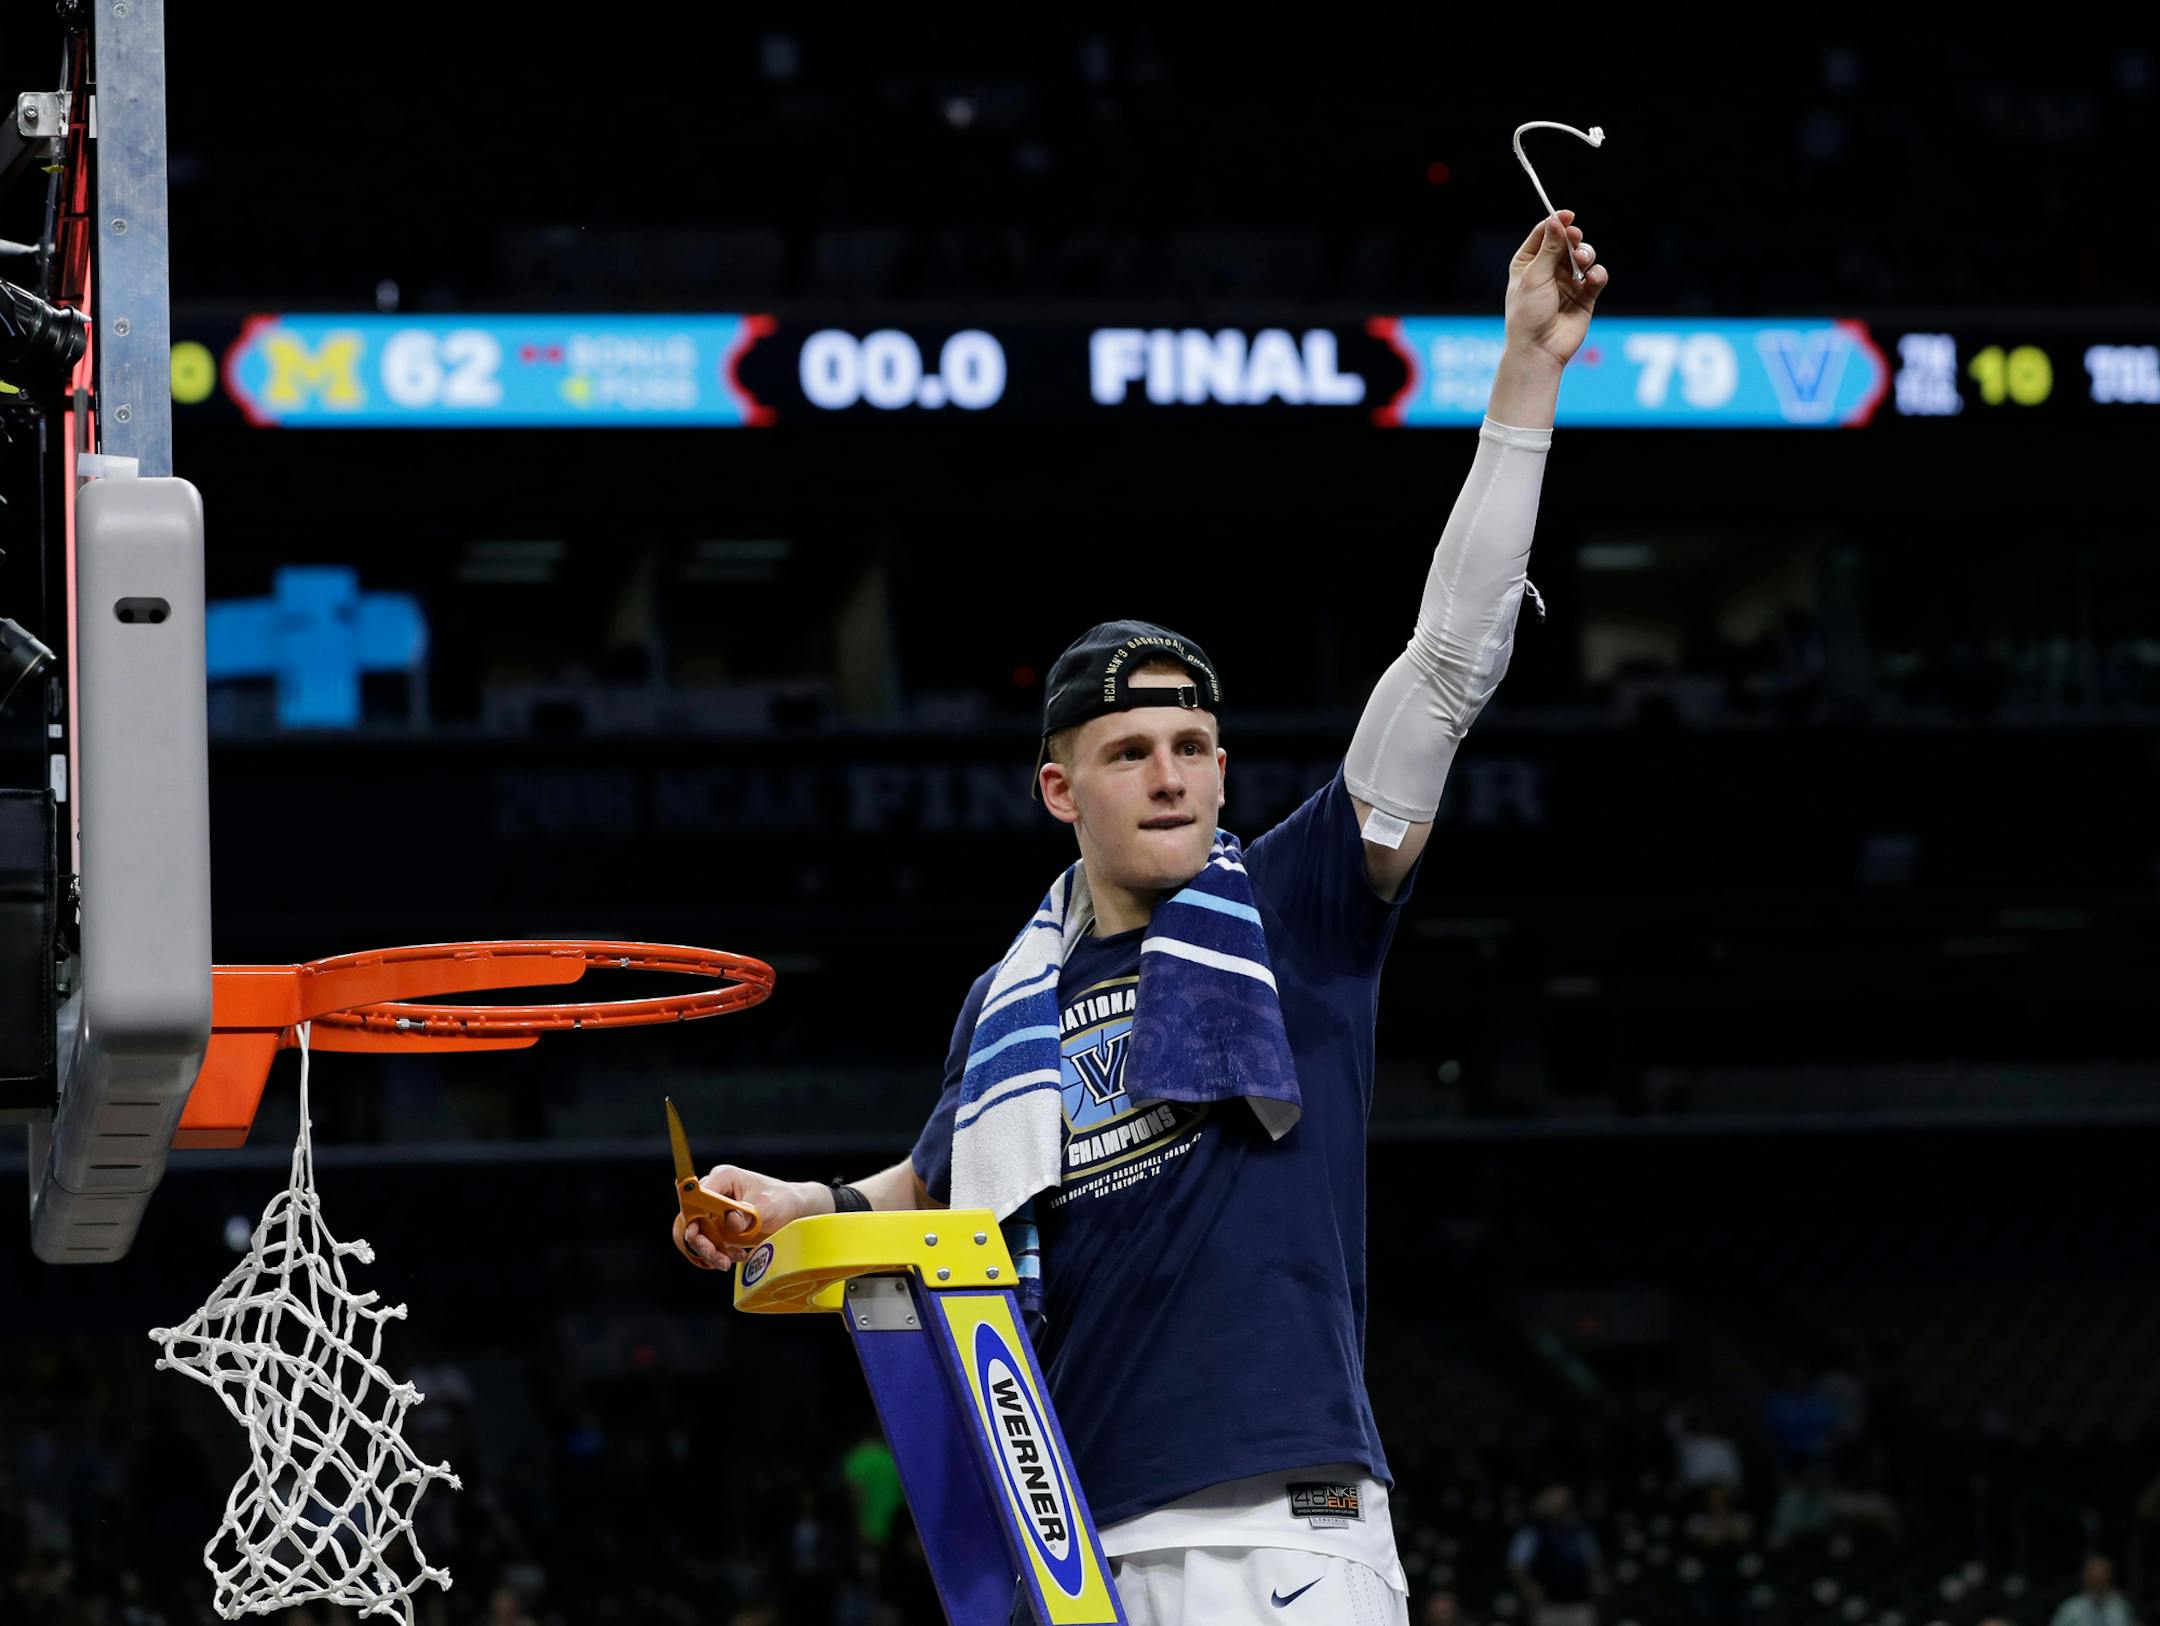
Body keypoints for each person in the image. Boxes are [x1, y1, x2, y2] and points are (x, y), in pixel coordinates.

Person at [680, 207, 1608, 1626]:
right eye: (1130, 751)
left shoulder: (1297, 899)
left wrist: (1525, 382)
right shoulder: (1010, 1003)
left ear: (1226, 766)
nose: (1170, 772)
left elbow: (1445, 668)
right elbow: (930, 1195)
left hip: (1280, 1529)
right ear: (1061, 786)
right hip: (1070, 1542)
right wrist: (790, 1208)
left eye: (1192, 744)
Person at [1507, 1485, 1608, 1626]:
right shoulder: (1533, 1531)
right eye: (1553, 1497)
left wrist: (1597, 1577)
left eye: (1563, 1498)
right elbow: (1517, 1564)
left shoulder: (1579, 1530)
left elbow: (1593, 1558)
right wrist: (1528, 1587)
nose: (1559, 1502)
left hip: (1580, 1602)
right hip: (1548, 1605)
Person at [2049, 1555, 2138, 1626]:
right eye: (2095, 1579)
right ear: (2086, 1579)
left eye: (2103, 1578)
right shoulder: (2071, 1609)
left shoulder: (2120, 1607)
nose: (2100, 1582)